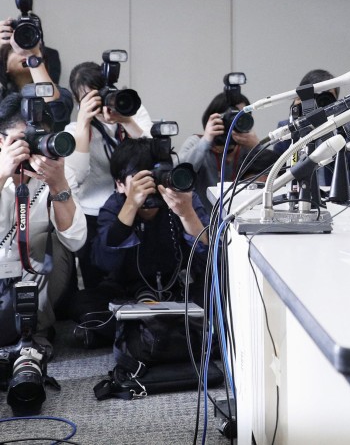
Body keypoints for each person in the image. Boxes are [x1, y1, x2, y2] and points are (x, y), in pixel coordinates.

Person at [69, 138, 209, 345]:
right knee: (81, 304)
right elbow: (102, 261)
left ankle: (139, 331)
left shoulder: (182, 198)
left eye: (155, 177)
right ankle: (175, 330)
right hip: (127, 293)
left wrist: (186, 213)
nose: (150, 186)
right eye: (140, 179)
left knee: (217, 296)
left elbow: (210, 251)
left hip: (178, 289)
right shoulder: (115, 206)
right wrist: (131, 205)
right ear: (119, 184)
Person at [0, 93, 87, 356]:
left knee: (58, 246)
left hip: (34, 271)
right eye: (20, 141)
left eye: (37, 140)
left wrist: (58, 185)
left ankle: (36, 330)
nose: (30, 149)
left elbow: (76, 240)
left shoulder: (57, 170)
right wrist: (3, 174)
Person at [64, 61, 153, 290]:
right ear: (79, 102)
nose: (102, 102)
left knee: (138, 276)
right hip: (93, 215)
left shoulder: (133, 111)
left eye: (103, 93)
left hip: (136, 207)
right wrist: (84, 124)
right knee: (100, 281)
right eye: (91, 97)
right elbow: (78, 176)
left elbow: (152, 155)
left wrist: (126, 120)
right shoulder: (74, 131)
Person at [178, 91, 273, 212]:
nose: (236, 121)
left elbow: (277, 173)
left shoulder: (247, 146)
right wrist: (206, 141)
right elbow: (178, 176)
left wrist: (258, 146)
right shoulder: (196, 142)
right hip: (203, 220)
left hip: (239, 217)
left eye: (242, 116)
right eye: (232, 116)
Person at [272, 69, 350, 185]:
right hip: (299, 196)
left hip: (337, 195)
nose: (320, 103)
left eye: (327, 97)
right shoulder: (285, 127)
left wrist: (337, 130)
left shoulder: (348, 124)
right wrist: (296, 117)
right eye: (315, 96)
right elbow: (278, 171)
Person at [0, 24, 72, 131]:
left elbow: (54, 110)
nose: (23, 52)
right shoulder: (2, 95)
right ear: (4, 65)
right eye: (15, 50)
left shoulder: (61, 93)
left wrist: (32, 56)